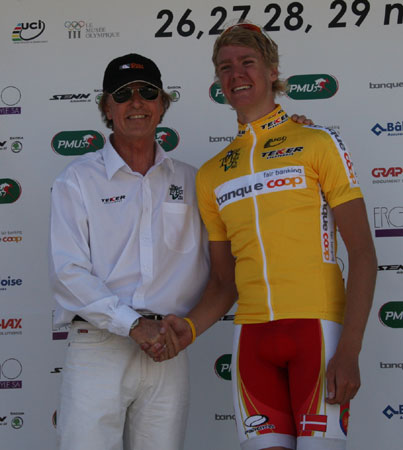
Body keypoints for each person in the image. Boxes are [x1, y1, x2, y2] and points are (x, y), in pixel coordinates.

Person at [159, 23, 377, 450]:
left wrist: (350, 350)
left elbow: (364, 254)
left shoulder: (318, 142)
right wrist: (190, 328)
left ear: (272, 71)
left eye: (247, 62)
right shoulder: (212, 174)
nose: (236, 74)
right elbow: (223, 281)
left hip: (318, 332)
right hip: (253, 340)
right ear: (218, 81)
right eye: (225, 67)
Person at [49, 53, 210, 450]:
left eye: (147, 92)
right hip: (99, 344)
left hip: (168, 348)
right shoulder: (76, 180)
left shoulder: (194, 181)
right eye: (122, 94)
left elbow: (221, 265)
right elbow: (68, 273)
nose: (136, 102)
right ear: (107, 107)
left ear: (162, 103)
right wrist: (133, 325)